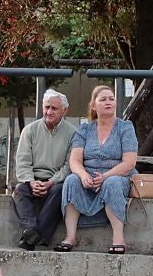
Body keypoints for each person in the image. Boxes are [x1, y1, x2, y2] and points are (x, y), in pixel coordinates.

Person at [57, 86, 139, 255]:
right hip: (89, 177)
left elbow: (130, 162)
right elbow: (75, 160)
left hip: (118, 175)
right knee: (72, 180)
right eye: (103, 99)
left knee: (112, 182)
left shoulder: (125, 127)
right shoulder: (85, 129)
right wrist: (83, 174)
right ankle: (70, 237)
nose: (108, 102)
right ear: (94, 106)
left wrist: (106, 176)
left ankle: (118, 238)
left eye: (111, 98)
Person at [10, 89, 75, 250]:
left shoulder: (73, 133)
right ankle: (30, 230)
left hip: (56, 182)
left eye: (54, 108)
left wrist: (51, 182)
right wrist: (31, 182)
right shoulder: (30, 131)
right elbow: (23, 161)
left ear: (64, 110)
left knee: (61, 191)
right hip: (32, 181)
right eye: (46, 107)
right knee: (19, 190)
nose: (49, 112)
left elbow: (69, 165)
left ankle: (32, 236)